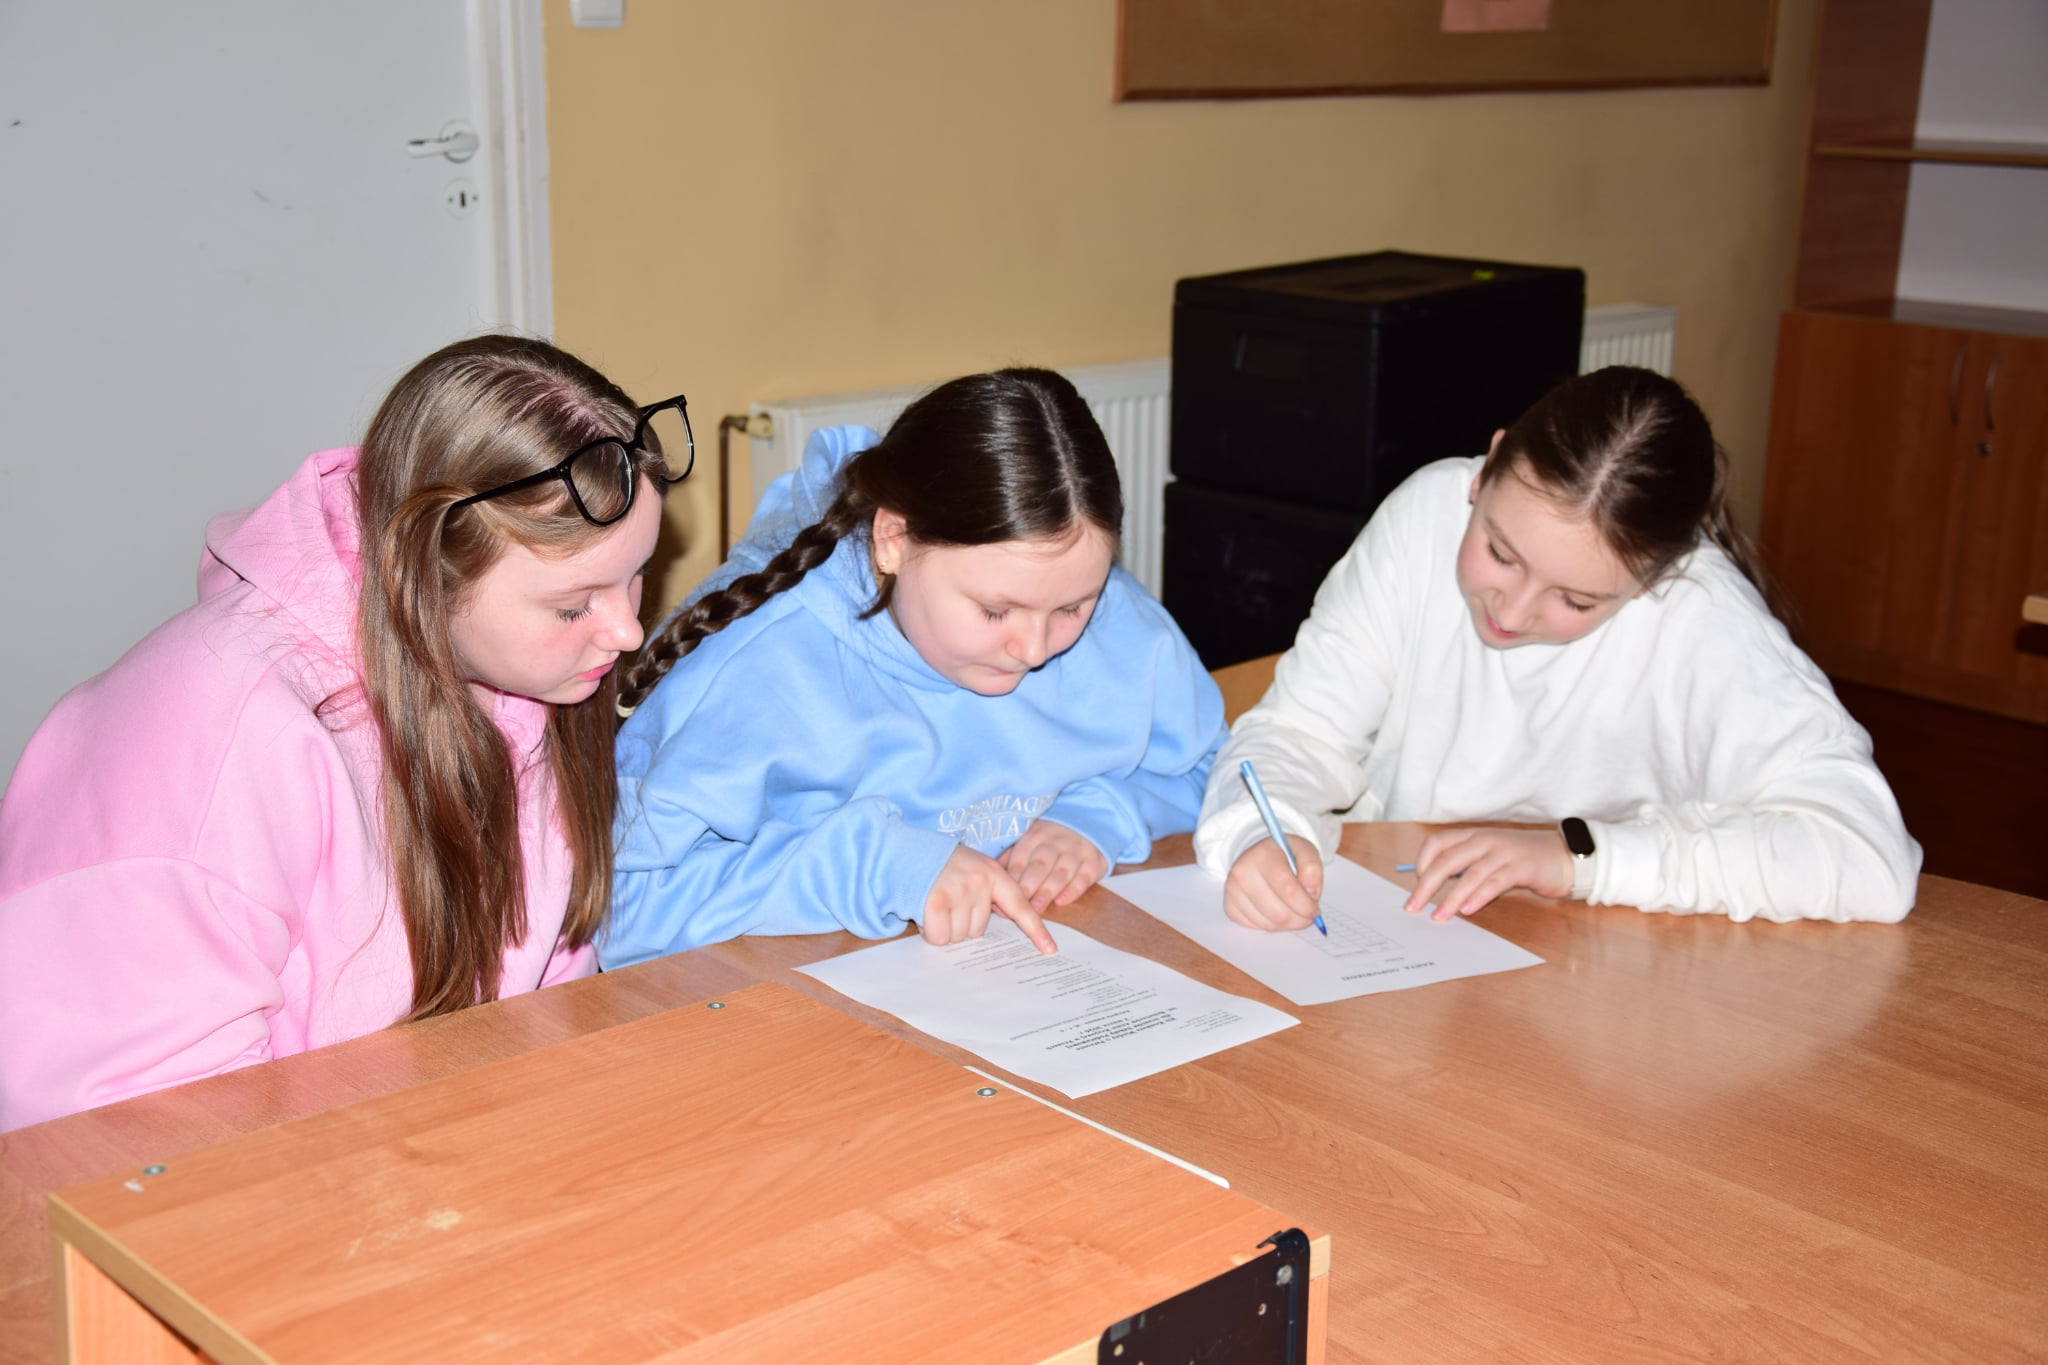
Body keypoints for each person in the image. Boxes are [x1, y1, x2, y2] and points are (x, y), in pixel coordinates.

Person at [0, 335, 688, 1131]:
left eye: (637, 575)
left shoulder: (532, 683)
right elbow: (136, 1141)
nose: (627, 631)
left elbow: (540, 1009)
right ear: (427, 571)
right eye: (574, 605)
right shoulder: (217, 737)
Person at [1197, 365, 1920, 929]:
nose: (1511, 611)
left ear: (1652, 579)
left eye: (1575, 600)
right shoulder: (1424, 517)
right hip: (1402, 930)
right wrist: (1263, 831)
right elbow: (1300, 733)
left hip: (1601, 978)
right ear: (1487, 469)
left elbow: (1867, 856)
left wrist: (1580, 855)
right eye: (1499, 552)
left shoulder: (1702, 615)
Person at [605, 367, 1225, 965]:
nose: (1035, 649)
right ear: (893, 540)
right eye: (994, 610)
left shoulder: (1116, 620)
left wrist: (1096, 818)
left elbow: (1214, 768)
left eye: (1072, 607)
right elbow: (621, 908)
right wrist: (874, 866)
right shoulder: (759, 665)